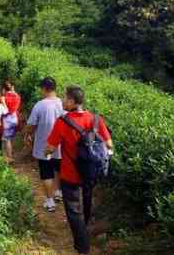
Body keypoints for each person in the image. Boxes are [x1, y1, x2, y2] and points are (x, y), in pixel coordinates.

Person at [47, 86, 113, 255]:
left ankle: (83, 246)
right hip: (91, 173)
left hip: (70, 175)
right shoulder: (96, 119)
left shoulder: (62, 122)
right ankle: (86, 230)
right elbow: (109, 145)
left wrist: (46, 153)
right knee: (87, 203)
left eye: (64, 97)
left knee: (73, 211)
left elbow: (50, 147)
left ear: (71, 101)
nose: (62, 100)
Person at [25, 77, 64, 212]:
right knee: (59, 169)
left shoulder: (40, 105)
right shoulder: (63, 104)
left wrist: (28, 135)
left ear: (44, 89)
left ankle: (50, 201)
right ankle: (59, 192)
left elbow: (31, 125)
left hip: (44, 146)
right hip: (60, 146)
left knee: (46, 173)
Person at [0, 81, 21, 163]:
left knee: (6, 140)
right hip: (14, 119)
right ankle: (10, 155)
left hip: (7, 120)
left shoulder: (4, 98)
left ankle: (9, 158)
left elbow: (4, 111)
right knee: (9, 139)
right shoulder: (17, 96)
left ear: (3, 89)